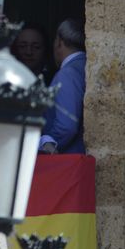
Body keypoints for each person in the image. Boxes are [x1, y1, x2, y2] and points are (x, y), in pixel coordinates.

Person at [40, 18, 85, 154]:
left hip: (69, 161)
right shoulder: (86, 66)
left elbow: (67, 125)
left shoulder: (67, 73)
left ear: (59, 42)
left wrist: (47, 143)